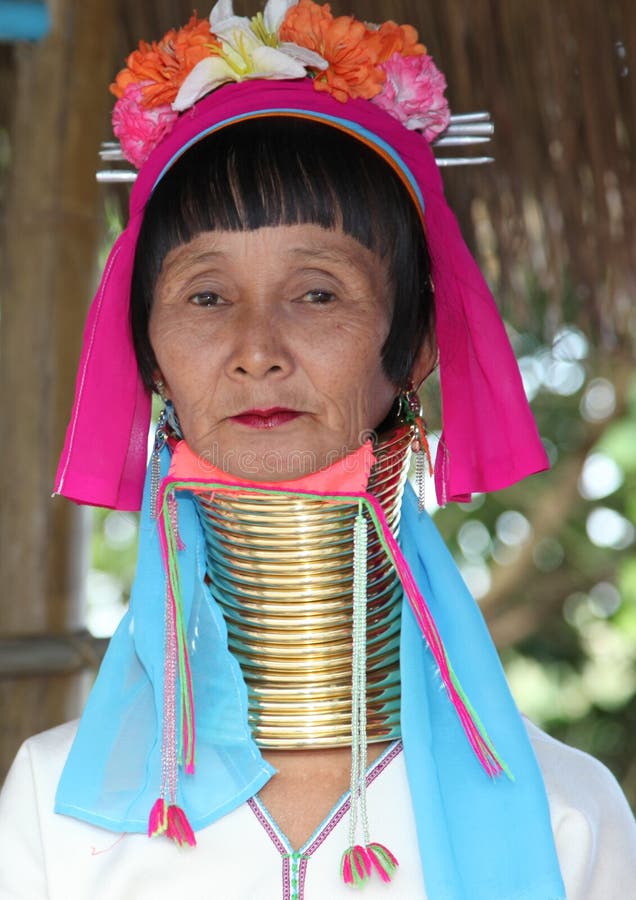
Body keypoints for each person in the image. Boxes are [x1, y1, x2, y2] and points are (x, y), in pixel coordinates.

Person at [1, 2, 635, 898]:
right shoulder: (55, 812)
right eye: (207, 297)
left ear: (412, 348)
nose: (257, 348)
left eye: (318, 293)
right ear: (149, 358)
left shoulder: (568, 818)